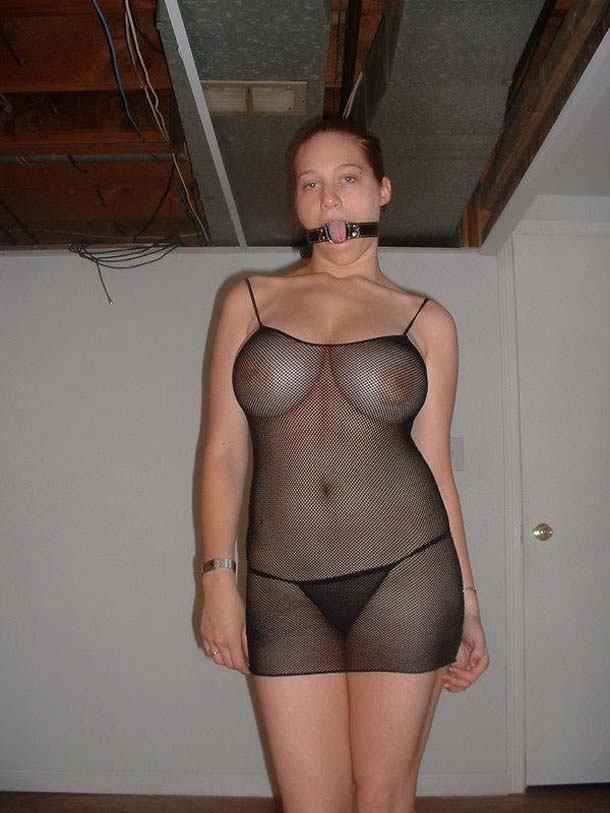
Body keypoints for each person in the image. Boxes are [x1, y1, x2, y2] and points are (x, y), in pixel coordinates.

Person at [198, 116, 489, 813]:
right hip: (282, 588)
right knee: (311, 803)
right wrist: (216, 577)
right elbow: (223, 453)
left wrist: (471, 605)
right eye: (311, 184)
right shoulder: (249, 300)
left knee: (382, 797)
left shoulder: (427, 321)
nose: (329, 199)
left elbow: (436, 468)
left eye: (347, 179)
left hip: (408, 575)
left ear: (382, 191)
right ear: (298, 203)